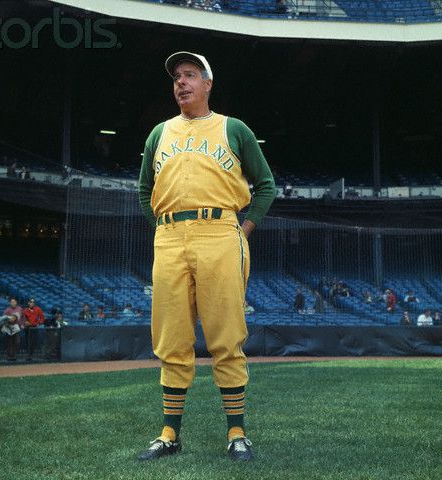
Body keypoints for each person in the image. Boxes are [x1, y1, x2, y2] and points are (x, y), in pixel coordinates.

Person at [137, 51, 275, 461]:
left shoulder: (233, 129)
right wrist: (162, 228)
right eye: (177, 76)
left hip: (220, 232)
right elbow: (145, 191)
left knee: (225, 336)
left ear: (208, 84)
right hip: (170, 237)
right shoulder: (158, 133)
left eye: (190, 75)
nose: (181, 82)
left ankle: (236, 432)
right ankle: (169, 434)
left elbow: (265, 185)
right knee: (171, 339)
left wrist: (244, 230)